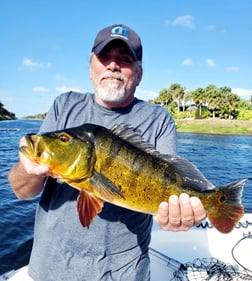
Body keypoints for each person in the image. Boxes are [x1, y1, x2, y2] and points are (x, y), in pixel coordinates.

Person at [8, 24, 206, 281]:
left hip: (123, 273)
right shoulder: (64, 105)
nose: (113, 65)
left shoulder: (159, 119)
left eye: (124, 60)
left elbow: (170, 194)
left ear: (139, 73)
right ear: (91, 68)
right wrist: (29, 168)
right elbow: (22, 191)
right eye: (105, 58)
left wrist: (178, 218)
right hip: (49, 269)